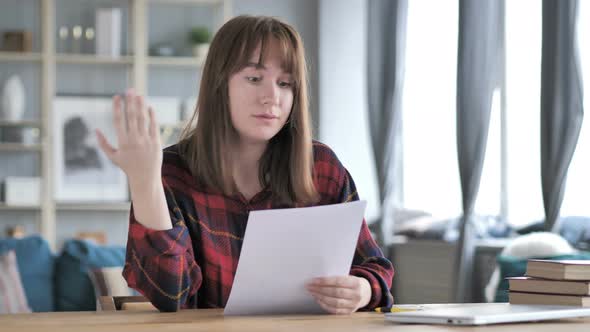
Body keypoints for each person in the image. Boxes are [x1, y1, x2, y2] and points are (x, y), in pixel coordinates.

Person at [96, 15, 394, 314]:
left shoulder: (322, 167)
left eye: (286, 83)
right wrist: (145, 181)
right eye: (254, 78)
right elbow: (170, 295)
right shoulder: (172, 171)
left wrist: (363, 290)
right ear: (219, 84)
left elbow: (375, 266)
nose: (272, 97)